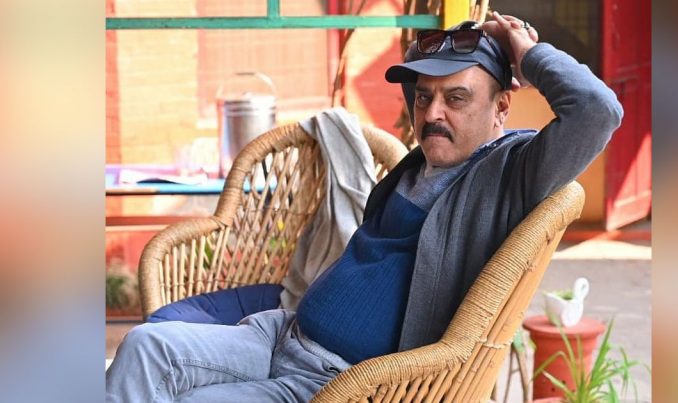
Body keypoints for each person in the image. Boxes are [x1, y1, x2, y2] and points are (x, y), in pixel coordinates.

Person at [106, 11, 622, 402]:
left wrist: (525, 53)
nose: (432, 113)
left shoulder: (508, 174)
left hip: (333, 383)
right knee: (144, 348)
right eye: (423, 97)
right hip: (279, 333)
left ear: (501, 107)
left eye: (456, 98)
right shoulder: (416, 164)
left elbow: (597, 111)